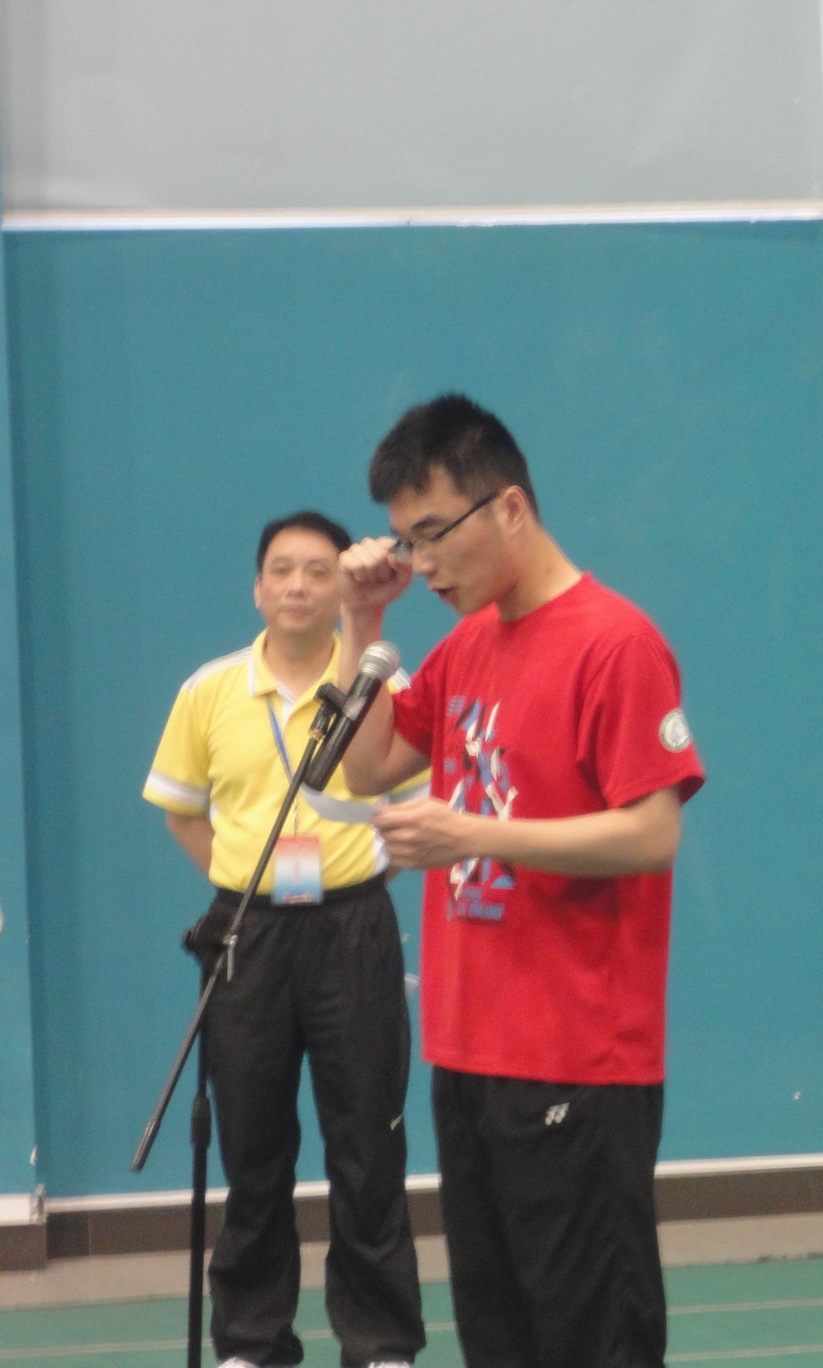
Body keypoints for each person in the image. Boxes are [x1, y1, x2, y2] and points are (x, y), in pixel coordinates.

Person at [336, 396, 706, 1368]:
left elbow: (652, 832)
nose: (421, 564)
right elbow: (367, 766)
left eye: (432, 534)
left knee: (589, 1336)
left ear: (507, 508)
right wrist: (360, 619)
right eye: (405, 542)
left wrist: (472, 833)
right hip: (469, 1052)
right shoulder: (467, 644)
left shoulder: (615, 642)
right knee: (500, 1338)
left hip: (575, 1059)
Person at [142, 511, 425, 1368]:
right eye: (281, 570)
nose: (298, 585)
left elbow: (419, 799)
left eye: (317, 570)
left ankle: (379, 1343)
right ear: (258, 588)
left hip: (354, 930)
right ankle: (251, 1340)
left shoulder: (384, 680)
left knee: (367, 1145)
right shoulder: (208, 691)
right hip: (248, 936)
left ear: (343, 589)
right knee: (252, 1147)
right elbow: (183, 811)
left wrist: (354, 878)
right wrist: (248, 887)